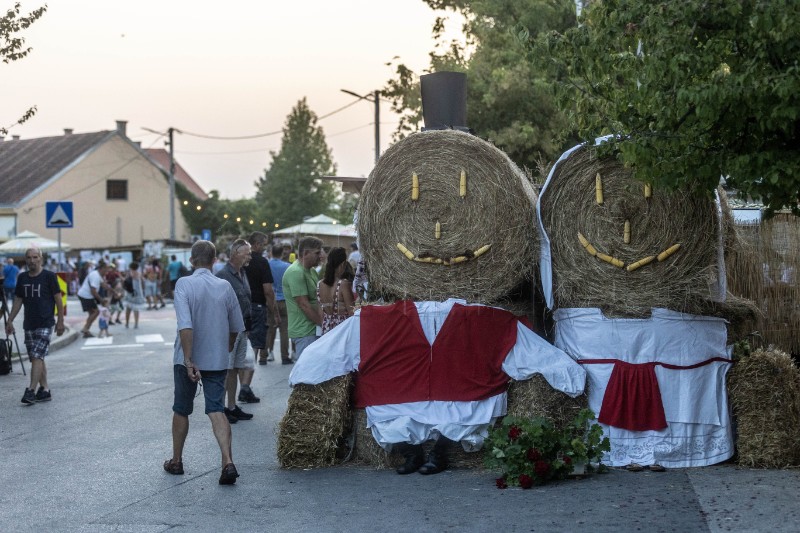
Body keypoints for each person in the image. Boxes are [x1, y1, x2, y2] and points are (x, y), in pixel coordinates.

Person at [164, 239, 244, 485]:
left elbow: (185, 325)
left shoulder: (184, 284)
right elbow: (236, 326)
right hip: (217, 359)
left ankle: (177, 461)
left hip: (187, 359)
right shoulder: (225, 286)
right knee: (216, 409)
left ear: (191, 260)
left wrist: (189, 359)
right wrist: (227, 346)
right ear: (214, 261)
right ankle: (227, 461)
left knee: (181, 409)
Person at [5, 247, 65, 405]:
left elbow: (58, 299)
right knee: (36, 358)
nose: (32, 260)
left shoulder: (49, 277)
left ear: (41, 259)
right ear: (26, 260)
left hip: (45, 322)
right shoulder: (23, 277)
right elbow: (18, 300)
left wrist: (60, 321)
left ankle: (31, 390)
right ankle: (44, 389)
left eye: (35, 257)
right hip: (29, 324)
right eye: (29, 257)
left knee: (37, 355)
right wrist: (10, 320)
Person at [215, 239, 257, 422]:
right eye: (246, 253)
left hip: (241, 328)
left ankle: (231, 406)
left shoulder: (242, 273)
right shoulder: (224, 274)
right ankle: (222, 407)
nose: (249, 256)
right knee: (227, 368)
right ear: (235, 254)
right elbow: (219, 304)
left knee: (234, 369)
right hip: (229, 330)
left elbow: (245, 299)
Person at [282, 236, 323, 361]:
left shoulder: (311, 271)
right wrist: (323, 324)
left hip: (312, 329)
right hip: (304, 331)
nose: (320, 256)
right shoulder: (296, 272)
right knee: (306, 374)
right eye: (317, 253)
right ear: (305, 253)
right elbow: (303, 304)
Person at [244, 232, 280, 368]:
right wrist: (274, 312)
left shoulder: (240, 261)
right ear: (257, 244)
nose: (265, 248)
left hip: (241, 306)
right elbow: (268, 291)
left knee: (240, 341)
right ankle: (246, 379)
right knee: (254, 343)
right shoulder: (262, 262)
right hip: (257, 306)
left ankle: (240, 376)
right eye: (263, 245)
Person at [317, 247, 355, 335]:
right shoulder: (343, 284)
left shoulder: (320, 284)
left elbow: (321, 314)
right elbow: (351, 312)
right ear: (343, 264)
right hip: (342, 331)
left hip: (326, 330)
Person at [267, 244, 291, 364]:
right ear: (282, 253)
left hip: (271, 300)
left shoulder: (267, 264)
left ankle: (267, 353)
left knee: (270, 329)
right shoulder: (287, 266)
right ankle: (285, 356)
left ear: (271, 252)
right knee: (284, 330)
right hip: (284, 300)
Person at [77, 260, 111, 337]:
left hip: (86, 295)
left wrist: (113, 291)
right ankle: (85, 328)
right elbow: (93, 291)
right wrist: (101, 300)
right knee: (96, 312)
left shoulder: (98, 275)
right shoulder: (96, 276)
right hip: (86, 296)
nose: (107, 271)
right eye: (106, 269)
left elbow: (104, 285)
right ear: (102, 268)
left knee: (91, 313)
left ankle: (86, 332)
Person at [124, 262, 146, 328]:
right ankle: (136, 324)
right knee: (136, 309)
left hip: (130, 292)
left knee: (128, 308)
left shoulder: (129, 273)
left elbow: (125, 281)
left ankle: (127, 323)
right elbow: (143, 282)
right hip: (137, 293)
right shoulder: (139, 274)